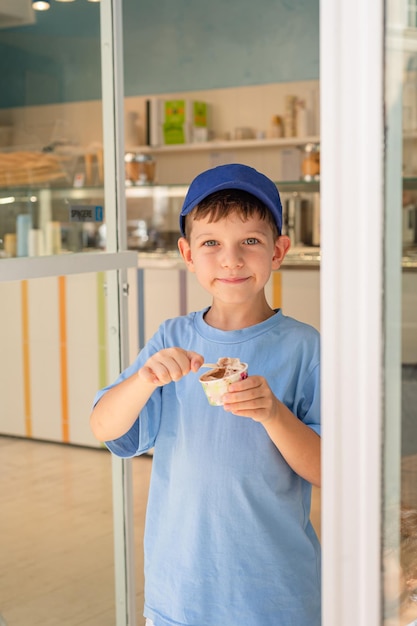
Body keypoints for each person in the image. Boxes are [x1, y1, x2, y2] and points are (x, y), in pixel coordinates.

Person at [90, 163, 321, 626]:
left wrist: (273, 413)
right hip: (180, 592)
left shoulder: (304, 346)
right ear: (187, 253)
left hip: (276, 595)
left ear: (278, 251)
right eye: (211, 243)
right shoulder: (170, 338)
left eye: (250, 242)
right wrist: (143, 381)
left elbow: (328, 469)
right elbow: (103, 426)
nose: (231, 260)